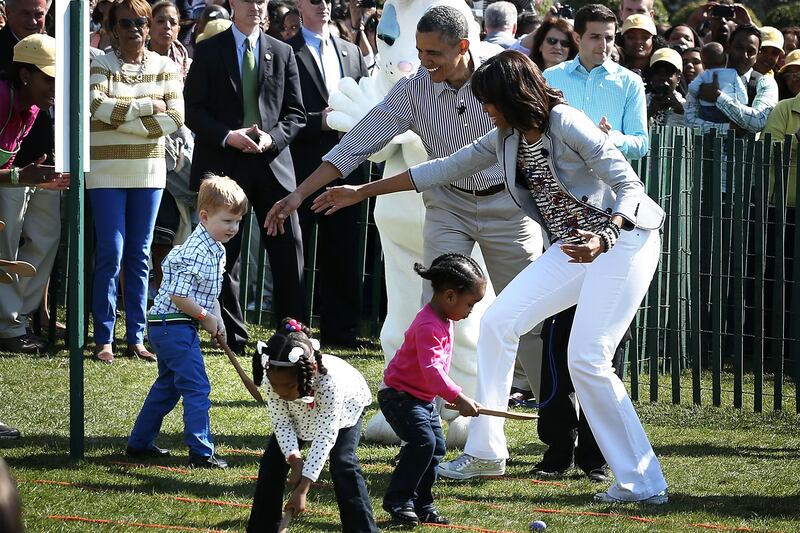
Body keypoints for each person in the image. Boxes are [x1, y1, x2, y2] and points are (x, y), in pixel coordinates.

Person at [315, 50, 668, 504]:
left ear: (512, 97)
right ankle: (485, 452)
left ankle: (643, 482)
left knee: (588, 359)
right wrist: (361, 190)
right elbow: (443, 169)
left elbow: (630, 187)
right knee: (500, 321)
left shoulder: (568, 123)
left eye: (489, 101)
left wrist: (606, 235)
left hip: (626, 240)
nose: (484, 110)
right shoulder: (507, 136)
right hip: (572, 246)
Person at [265, 7, 545, 462]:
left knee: (530, 314)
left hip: (506, 205)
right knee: (431, 316)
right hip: (447, 205)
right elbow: (356, 143)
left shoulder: (500, 80)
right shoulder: (413, 89)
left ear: (463, 46)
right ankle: (424, 431)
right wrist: (298, 195)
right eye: (418, 51)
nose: (423, 61)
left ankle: (562, 425)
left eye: (433, 53)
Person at [184, 0, 306, 354]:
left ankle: (292, 332)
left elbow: (295, 113)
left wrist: (272, 138)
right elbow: (194, 110)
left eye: (260, 0)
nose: (254, 6)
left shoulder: (282, 52)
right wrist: (227, 136)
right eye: (247, 0)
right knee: (223, 254)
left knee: (288, 249)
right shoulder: (208, 51)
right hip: (227, 164)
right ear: (232, 4)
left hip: (272, 165)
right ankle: (232, 334)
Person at [127, 175, 247, 469]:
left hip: (177, 325)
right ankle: (201, 453)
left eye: (237, 221)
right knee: (197, 388)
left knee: (167, 387)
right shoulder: (194, 251)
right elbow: (180, 296)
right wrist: (205, 317)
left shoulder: (216, 247)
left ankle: (139, 443)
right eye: (227, 221)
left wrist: (216, 316)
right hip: (171, 325)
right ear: (204, 217)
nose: (233, 228)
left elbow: (209, 292)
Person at [89, 0, 185, 364]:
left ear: (148, 27)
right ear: (112, 28)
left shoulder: (166, 67)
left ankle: (137, 336)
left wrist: (121, 117)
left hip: (148, 170)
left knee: (140, 255)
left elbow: (175, 117)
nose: (134, 28)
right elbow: (96, 107)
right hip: (105, 171)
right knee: (111, 252)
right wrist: (148, 107)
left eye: (140, 22)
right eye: (125, 22)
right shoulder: (101, 62)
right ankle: (103, 337)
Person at [286, 0, 369, 347]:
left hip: (349, 165)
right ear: (297, 4)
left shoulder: (351, 52)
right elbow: (280, 111)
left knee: (346, 250)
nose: (321, 5)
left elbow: (370, 103)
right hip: (302, 166)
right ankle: (294, 329)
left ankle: (341, 330)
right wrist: (317, 121)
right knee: (297, 250)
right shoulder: (285, 51)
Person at [378, 254, 483, 526]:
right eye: (470, 304)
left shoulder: (444, 319)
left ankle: (422, 504)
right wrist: (458, 397)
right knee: (423, 443)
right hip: (399, 397)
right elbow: (432, 370)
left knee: (434, 447)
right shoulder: (428, 325)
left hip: (420, 399)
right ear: (450, 296)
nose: (470, 310)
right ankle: (399, 502)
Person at [247, 318, 378, 533]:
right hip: (300, 414)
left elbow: (325, 436)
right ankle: (263, 528)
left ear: (311, 370)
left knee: (343, 463)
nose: (281, 392)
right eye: (276, 385)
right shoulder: (275, 380)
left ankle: (362, 529)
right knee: (272, 462)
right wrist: (295, 460)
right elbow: (282, 424)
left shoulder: (329, 385)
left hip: (345, 406)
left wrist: (303, 488)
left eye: (288, 386)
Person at [0, 0, 60, 354]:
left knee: (43, 237)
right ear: (26, 75)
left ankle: (16, 323)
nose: (56, 87)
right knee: (5, 249)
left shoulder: (34, 106)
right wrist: (20, 175)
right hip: (18, 176)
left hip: (28, 172)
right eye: (48, 78)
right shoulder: (4, 100)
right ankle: (7, 326)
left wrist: (24, 174)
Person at [543, 4, 649, 161]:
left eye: (609, 38)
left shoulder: (631, 82)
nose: (604, 45)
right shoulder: (551, 77)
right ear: (577, 38)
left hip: (607, 182)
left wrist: (610, 138)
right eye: (595, 37)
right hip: (558, 180)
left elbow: (641, 145)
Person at [685, 25, 779, 134]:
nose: (744, 55)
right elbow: (688, 122)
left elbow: (758, 121)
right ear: (728, 47)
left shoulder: (765, 83)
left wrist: (718, 97)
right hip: (704, 150)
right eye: (739, 48)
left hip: (746, 151)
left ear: (757, 56)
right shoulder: (706, 78)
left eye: (751, 51)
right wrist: (727, 128)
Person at [688, 41, 746, 124]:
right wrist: (742, 101)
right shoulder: (732, 73)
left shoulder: (704, 75)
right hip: (728, 109)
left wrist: (700, 94)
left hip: (707, 109)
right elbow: (742, 93)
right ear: (726, 60)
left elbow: (692, 89)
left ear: (703, 64)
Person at [645, 47, 686, 126]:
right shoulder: (641, 102)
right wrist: (649, 113)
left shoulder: (685, 106)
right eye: (657, 72)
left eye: (668, 72)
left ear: (678, 79)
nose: (662, 77)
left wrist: (678, 110)